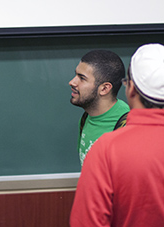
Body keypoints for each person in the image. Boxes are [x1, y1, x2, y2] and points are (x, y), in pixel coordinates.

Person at [70, 43, 164, 226]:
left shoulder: (108, 150)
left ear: (131, 89)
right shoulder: (89, 121)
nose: (72, 82)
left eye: (81, 77)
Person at [69, 50, 130, 166]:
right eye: (75, 75)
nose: (72, 82)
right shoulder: (87, 117)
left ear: (104, 89)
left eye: (82, 78)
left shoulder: (127, 127)